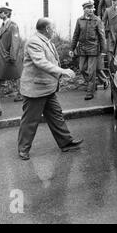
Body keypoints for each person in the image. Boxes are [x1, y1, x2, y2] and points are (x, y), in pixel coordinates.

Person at [18, 18, 83, 160]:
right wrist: (62, 71)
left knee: (56, 115)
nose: (54, 30)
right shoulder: (34, 42)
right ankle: (23, 149)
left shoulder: (45, 40)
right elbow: (41, 62)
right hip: (36, 89)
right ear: (47, 29)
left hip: (47, 88)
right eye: (53, 28)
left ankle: (66, 143)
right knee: (30, 120)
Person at [69, 1, 107, 100]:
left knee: (91, 71)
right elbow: (75, 35)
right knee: (82, 68)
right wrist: (72, 48)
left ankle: (90, 91)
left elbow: (102, 36)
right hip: (82, 48)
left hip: (94, 48)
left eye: (92, 8)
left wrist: (103, 50)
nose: (91, 10)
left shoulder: (97, 20)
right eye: (88, 8)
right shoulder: (79, 20)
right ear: (84, 9)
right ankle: (97, 83)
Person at [0, 3, 23, 102]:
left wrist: (12, 57)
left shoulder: (12, 26)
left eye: (0, 12)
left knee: (17, 75)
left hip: (10, 55)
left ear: (6, 13)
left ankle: (21, 94)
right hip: (3, 55)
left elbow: (15, 42)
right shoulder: (3, 25)